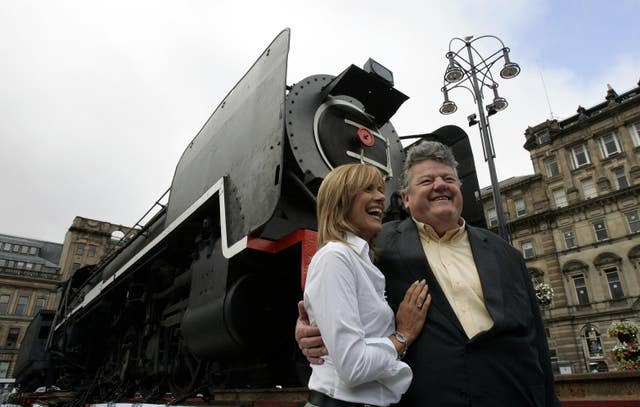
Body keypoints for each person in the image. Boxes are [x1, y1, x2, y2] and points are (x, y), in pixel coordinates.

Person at [296, 141, 560, 407]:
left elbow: (536, 336)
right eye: (426, 181)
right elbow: (327, 299)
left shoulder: (507, 254)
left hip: (512, 394)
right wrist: (306, 330)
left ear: (459, 188)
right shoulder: (374, 245)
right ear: (406, 198)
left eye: (448, 178)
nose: (440, 185)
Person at [302, 163, 430, 407]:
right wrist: (403, 336)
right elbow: (353, 366)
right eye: (368, 189)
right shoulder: (335, 257)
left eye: (380, 190)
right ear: (340, 200)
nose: (381, 197)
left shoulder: (359, 261)